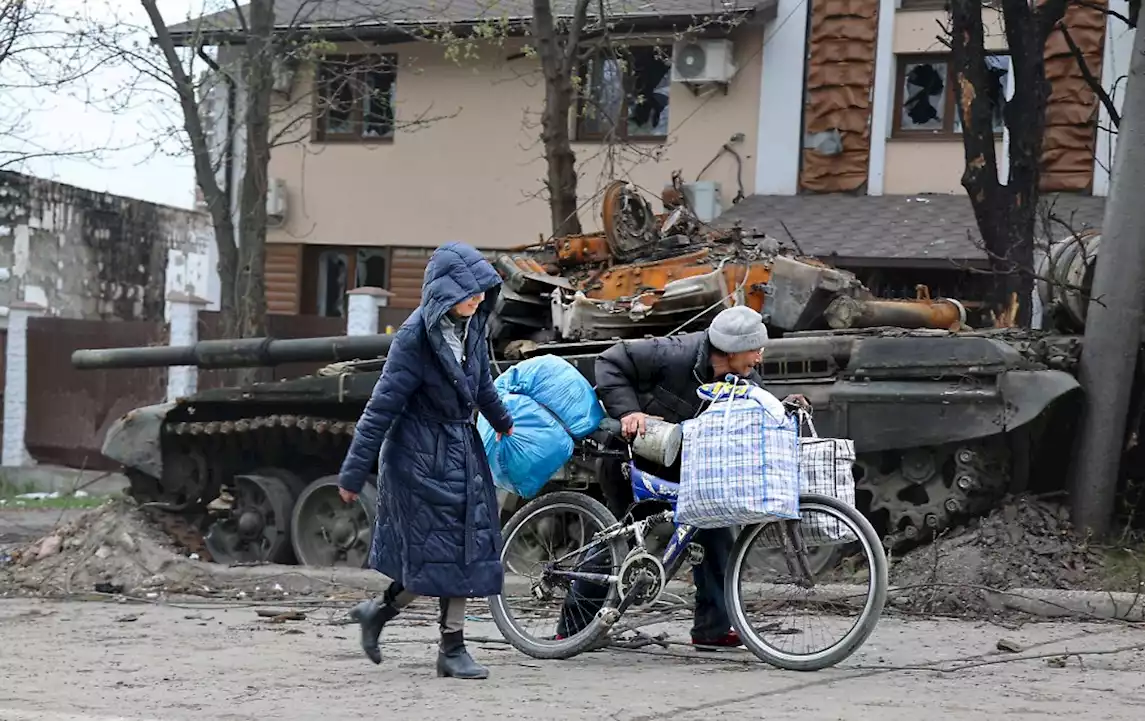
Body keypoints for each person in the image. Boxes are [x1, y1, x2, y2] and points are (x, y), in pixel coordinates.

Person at [555, 305, 808, 648]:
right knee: (622, 540)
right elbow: (612, 361)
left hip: (688, 467)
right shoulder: (674, 353)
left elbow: (759, 406)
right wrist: (629, 411)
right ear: (732, 349)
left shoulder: (744, 377)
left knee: (717, 535)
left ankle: (712, 629)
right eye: (755, 349)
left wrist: (785, 405)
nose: (759, 358)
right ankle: (571, 629)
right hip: (635, 460)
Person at [338, 242, 514, 681]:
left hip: (460, 447)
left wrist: (503, 421)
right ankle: (451, 649)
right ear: (445, 292)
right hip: (418, 457)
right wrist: (353, 472)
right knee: (448, 553)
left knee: (457, 551)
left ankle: (378, 612)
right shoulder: (415, 338)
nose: (476, 299)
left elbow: (482, 383)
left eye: (480, 291)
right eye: (468, 292)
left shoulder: (471, 326)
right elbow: (380, 407)